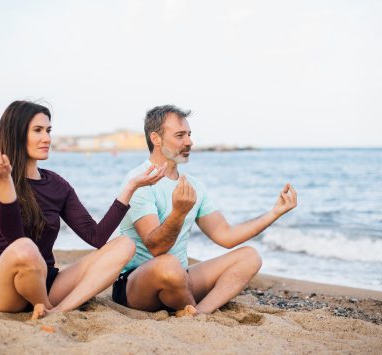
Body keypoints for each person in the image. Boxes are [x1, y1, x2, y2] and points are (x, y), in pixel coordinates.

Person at [0, 100, 166, 319]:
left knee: (125, 244)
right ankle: (45, 304)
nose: (47, 138)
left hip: (46, 281)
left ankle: (58, 310)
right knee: (25, 248)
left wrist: (131, 187)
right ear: (17, 133)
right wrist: (4, 181)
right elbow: (15, 241)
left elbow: (96, 237)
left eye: (48, 130)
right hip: (3, 286)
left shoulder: (57, 185)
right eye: (38, 130)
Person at [112, 105, 297, 316]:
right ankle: (189, 309)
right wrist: (179, 213)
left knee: (250, 256)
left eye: (189, 135)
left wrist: (274, 212)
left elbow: (225, 236)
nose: (189, 142)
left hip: (180, 276)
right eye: (180, 135)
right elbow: (157, 248)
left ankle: (199, 313)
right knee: (168, 265)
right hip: (136, 285)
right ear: (156, 138)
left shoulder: (194, 186)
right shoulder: (138, 180)